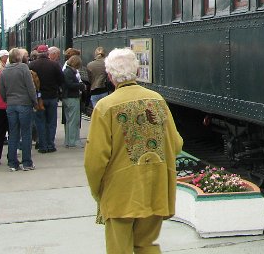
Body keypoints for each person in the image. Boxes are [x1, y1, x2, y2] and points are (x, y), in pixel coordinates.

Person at [84, 48, 183, 254]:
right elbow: (176, 143)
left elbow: (95, 160)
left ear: (110, 77)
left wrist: (97, 191)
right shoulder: (157, 100)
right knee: (146, 245)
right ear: (137, 72)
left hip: (120, 193)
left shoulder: (105, 107)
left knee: (119, 249)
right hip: (155, 189)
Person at [0, 48, 37, 171]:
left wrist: (7, 100)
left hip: (11, 105)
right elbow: (30, 87)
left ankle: (12, 163)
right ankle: (27, 163)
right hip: (24, 104)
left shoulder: (4, 71)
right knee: (26, 133)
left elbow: (2, 91)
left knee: (13, 133)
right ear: (19, 57)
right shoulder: (24, 68)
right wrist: (34, 101)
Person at [28, 44, 63, 153]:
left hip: (39, 98)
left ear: (38, 53)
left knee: (40, 121)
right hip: (52, 97)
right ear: (47, 53)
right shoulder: (54, 65)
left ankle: (42, 146)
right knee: (51, 122)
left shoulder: (32, 65)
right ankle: (50, 145)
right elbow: (62, 80)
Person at [62, 54, 85, 147]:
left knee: (69, 120)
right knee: (73, 120)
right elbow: (70, 84)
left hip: (67, 97)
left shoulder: (66, 71)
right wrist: (81, 85)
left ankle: (68, 140)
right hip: (71, 97)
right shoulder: (69, 72)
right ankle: (73, 140)